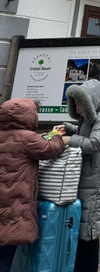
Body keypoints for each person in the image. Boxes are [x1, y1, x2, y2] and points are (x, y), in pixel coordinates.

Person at [0, 98, 69, 272]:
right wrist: (57, 136)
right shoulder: (27, 138)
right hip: (13, 203)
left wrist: (45, 136)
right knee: (5, 253)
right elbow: (50, 149)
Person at [63, 78, 100, 272]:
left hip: (96, 177)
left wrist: (69, 140)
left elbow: (94, 143)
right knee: (83, 223)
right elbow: (85, 133)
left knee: (90, 225)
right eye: (75, 104)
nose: (77, 108)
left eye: (80, 103)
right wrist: (69, 128)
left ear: (90, 102)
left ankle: (88, 267)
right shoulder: (89, 117)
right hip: (88, 175)